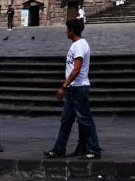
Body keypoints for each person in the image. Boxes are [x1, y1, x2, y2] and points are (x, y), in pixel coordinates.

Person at [44, 18, 102, 160]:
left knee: (85, 119)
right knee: (66, 120)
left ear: (72, 30)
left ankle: (94, 149)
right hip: (73, 89)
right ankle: (59, 149)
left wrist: (64, 86)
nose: (66, 32)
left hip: (78, 88)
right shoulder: (76, 44)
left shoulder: (80, 45)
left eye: (67, 29)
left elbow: (76, 69)